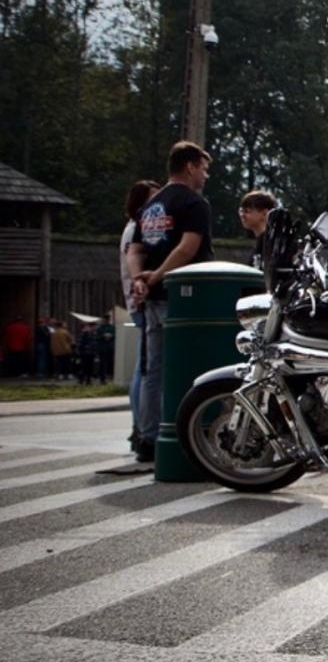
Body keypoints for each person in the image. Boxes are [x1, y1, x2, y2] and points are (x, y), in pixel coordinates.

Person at [128, 142, 214, 463]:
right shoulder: (195, 203)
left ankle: (149, 438)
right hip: (186, 298)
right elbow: (188, 249)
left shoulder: (150, 206)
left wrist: (140, 278)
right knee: (192, 368)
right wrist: (160, 275)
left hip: (152, 298)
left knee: (153, 370)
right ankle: (189, 434)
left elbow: (134, 251)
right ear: (190, 166)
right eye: (203, 168)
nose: (205, 176)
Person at [119, 179, 159, 450]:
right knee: (145, 369)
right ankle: (141, 426)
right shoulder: (137, 229)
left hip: (136, 303)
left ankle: (140, 425)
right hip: (142, 303)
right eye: (154, 198)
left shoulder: (131, 228)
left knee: (143, 368)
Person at [238, 190, 278, 269]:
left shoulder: (271, 245)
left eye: (247, 211)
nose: (242, 215)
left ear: (265, 214)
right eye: (241, 211)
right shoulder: (261, 243)